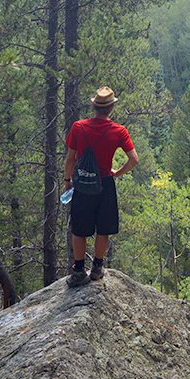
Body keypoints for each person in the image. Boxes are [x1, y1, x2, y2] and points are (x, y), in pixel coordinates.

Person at [62, 86, 138, 287]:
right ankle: (97, 267)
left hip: (82, 183)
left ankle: (78, 271)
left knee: (79, 229)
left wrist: (67, 180)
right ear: (111, 108)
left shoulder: (78, 127)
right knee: (103, 228)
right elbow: (133, 159)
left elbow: (70, 158)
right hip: (104, 183)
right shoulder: (119, 131)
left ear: (94, 106)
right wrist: (117, 173)